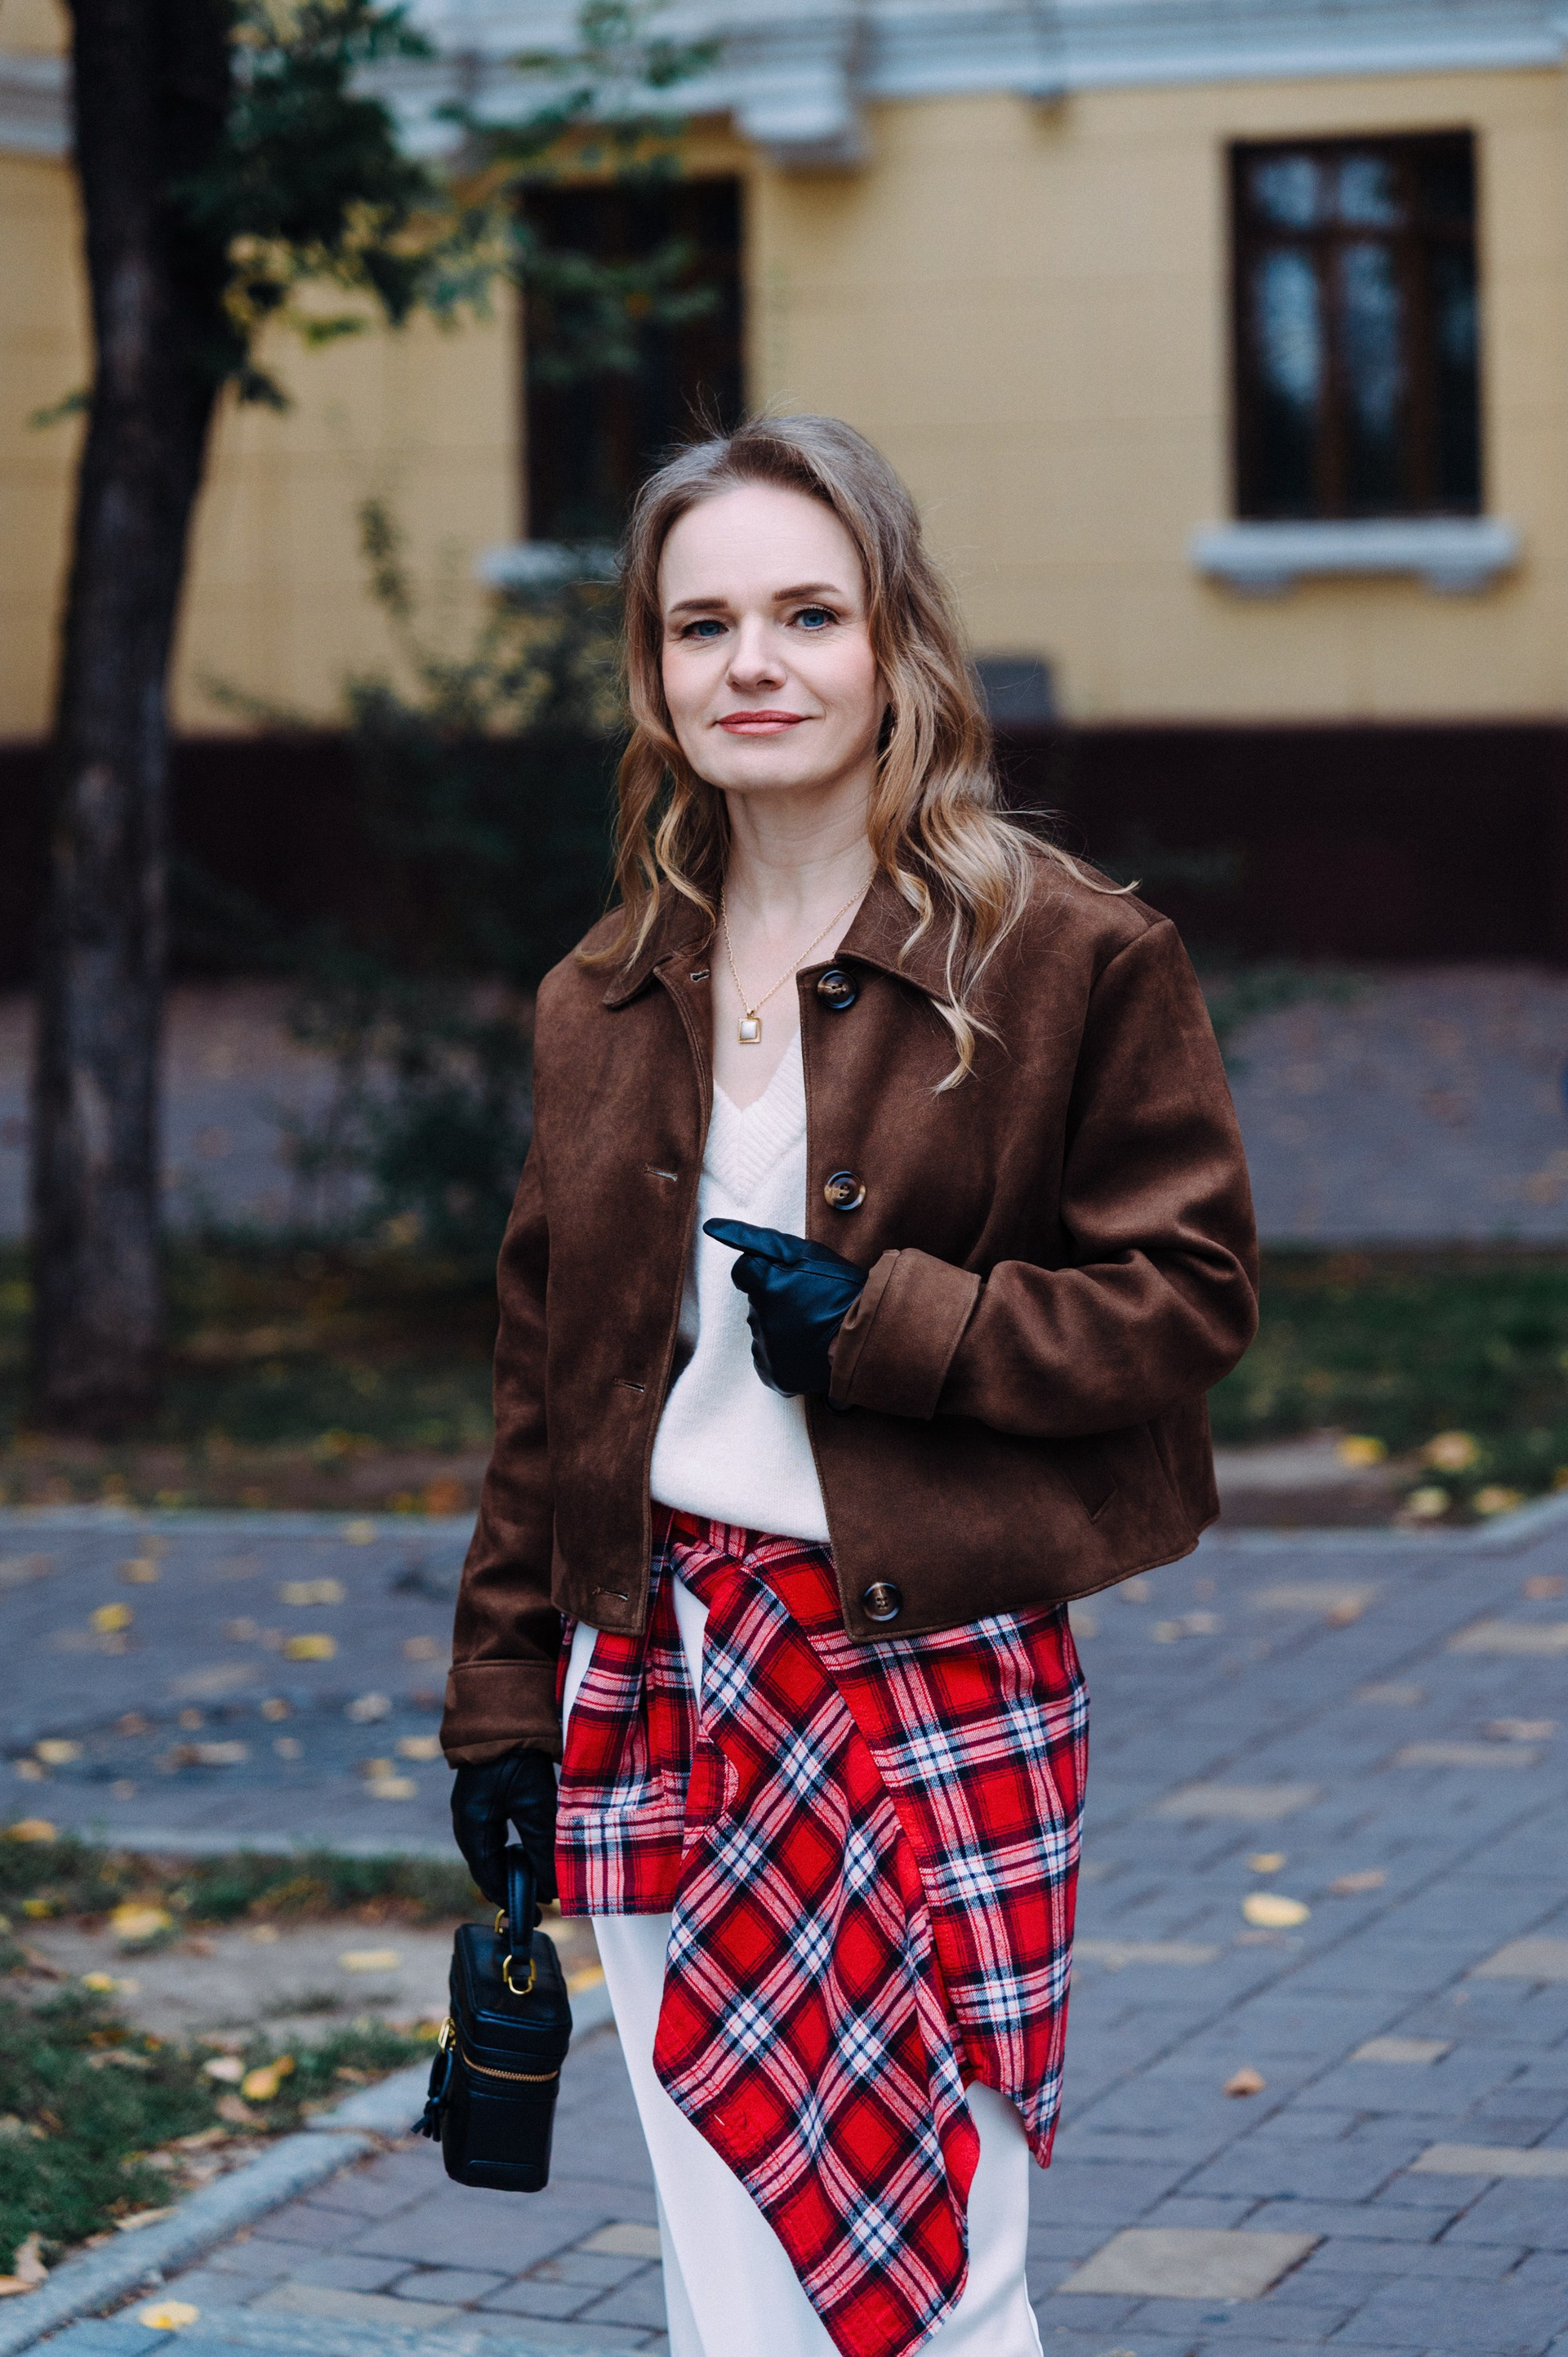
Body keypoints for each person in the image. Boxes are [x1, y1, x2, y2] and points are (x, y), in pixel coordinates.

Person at [442, 413, 1258, 2357]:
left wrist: (906, 1329)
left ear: (897, 641)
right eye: (702, 623)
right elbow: (546, 1390)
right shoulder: (602, 993)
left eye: (809, 614)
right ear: (652, 668)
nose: (755, 664)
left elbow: (1190, 1293)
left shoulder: (1065, 954)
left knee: (943, 2274)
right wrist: (501, 1708)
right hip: (656, 1668)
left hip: (930, 1669)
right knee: (726, 2266)